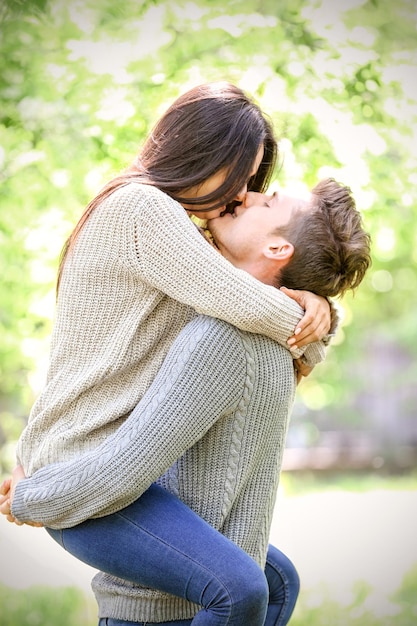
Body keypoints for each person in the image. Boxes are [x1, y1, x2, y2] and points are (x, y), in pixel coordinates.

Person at [2, 179, 371, 625]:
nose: (247, 194)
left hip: (143, 563)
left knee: (265, 584)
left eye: (268, 199)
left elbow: (125, 467)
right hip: (121, 530)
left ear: (278, 250)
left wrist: (28, 496)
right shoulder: (265, 337)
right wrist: (322, 313)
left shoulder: (223, 336)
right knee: (277, 582)